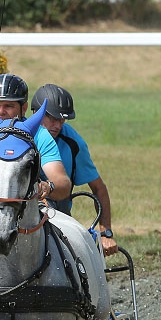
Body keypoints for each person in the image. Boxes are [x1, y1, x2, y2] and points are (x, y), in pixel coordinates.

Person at [30, 83, 118, 257]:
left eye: (62, 120)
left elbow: (99, 188)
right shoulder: (18, 135)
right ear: (35, 113)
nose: (58, 125)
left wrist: (105, 232)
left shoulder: (74, 143)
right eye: (52, 118)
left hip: (59, 219)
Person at [0, 73, 71, 201]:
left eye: (9, 106)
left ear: (24, 108)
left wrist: (47, 187)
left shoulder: (40, 134)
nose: (1, 111)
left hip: (30, 204)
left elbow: (62, 184)